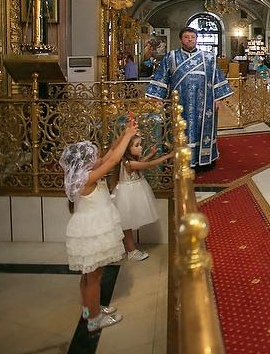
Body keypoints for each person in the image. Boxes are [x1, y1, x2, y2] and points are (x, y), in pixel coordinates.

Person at [61, 120, 138, 333]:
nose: (98, 158)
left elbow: (110, 153)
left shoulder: (81, 175)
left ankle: (89, 310)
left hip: (89, 229)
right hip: (92, 232)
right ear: (85, 164)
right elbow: (113, 159)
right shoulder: (86, 179)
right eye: (94, 157)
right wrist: (131, 134)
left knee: (89, 275)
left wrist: (123, 135)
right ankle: (94, 320)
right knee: (93, 278)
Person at [146, 28, 233, 170]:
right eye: (186, 37)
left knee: (202, 131)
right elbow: (162, 77)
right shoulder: (171, 57)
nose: (190, 40)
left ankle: (204, 160)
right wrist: (157, 97)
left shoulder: (208, 57)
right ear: (181, 40)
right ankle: (180, 159)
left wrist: (218, 98)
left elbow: (217, 76)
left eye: (193, 37)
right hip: (180, 104)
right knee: (181, 131)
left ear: (196, 39)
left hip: (205, 104)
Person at [113, 132, 173, 262]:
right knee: (127, 224)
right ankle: (131, 251)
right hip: (128, 195)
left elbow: (142, 162)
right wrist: (168, 156)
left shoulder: (130, 161)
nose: (140, 147)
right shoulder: (128, 164)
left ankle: (130, 248)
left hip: (132, 193)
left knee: (128, 223)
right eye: (137, 145)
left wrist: (151, 154)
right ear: (127, 149)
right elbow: (147, 165)